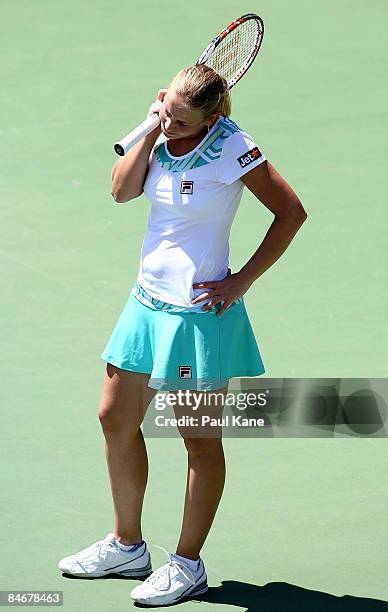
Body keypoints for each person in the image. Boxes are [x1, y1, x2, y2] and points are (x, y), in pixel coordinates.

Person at [58, 64, 307, 606]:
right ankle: (127, 546)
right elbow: (122, 193)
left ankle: (187, 564)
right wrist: (149, 130)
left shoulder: (234, 147)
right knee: (114, 417)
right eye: (166, 107)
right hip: (145, 303)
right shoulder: (158, 133)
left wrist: (239, 281)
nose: (170, 121)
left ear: (212, 117)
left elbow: (291, 211)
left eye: (179, 117)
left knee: (197, 439)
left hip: (196, 315)